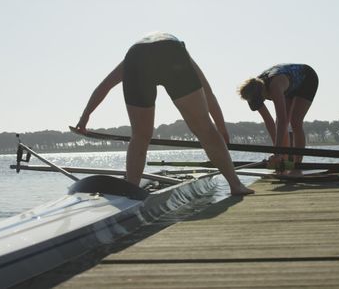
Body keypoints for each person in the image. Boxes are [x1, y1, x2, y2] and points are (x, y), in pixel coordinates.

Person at [75, 32, 254, 196]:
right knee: (204, 128)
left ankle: (131, 190)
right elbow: (208, 93)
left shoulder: (132, 58)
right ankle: (235, 185)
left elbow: (104, 86)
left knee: (140, 135)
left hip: (137, 58)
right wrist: (221, 129)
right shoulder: (180, 53)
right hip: (170, 52)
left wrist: (84, 118)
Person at [238, 64, 318, 165]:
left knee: (295, 122)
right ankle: (285, 161)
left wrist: (276, 153)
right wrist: (277, 153)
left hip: (307, 79)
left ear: (263, 93)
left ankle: (297, 164)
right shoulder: (251, 95)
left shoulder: (275, 86)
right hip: (289, 85)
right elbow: (269, 121)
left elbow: (282, 120)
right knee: (278, 124)